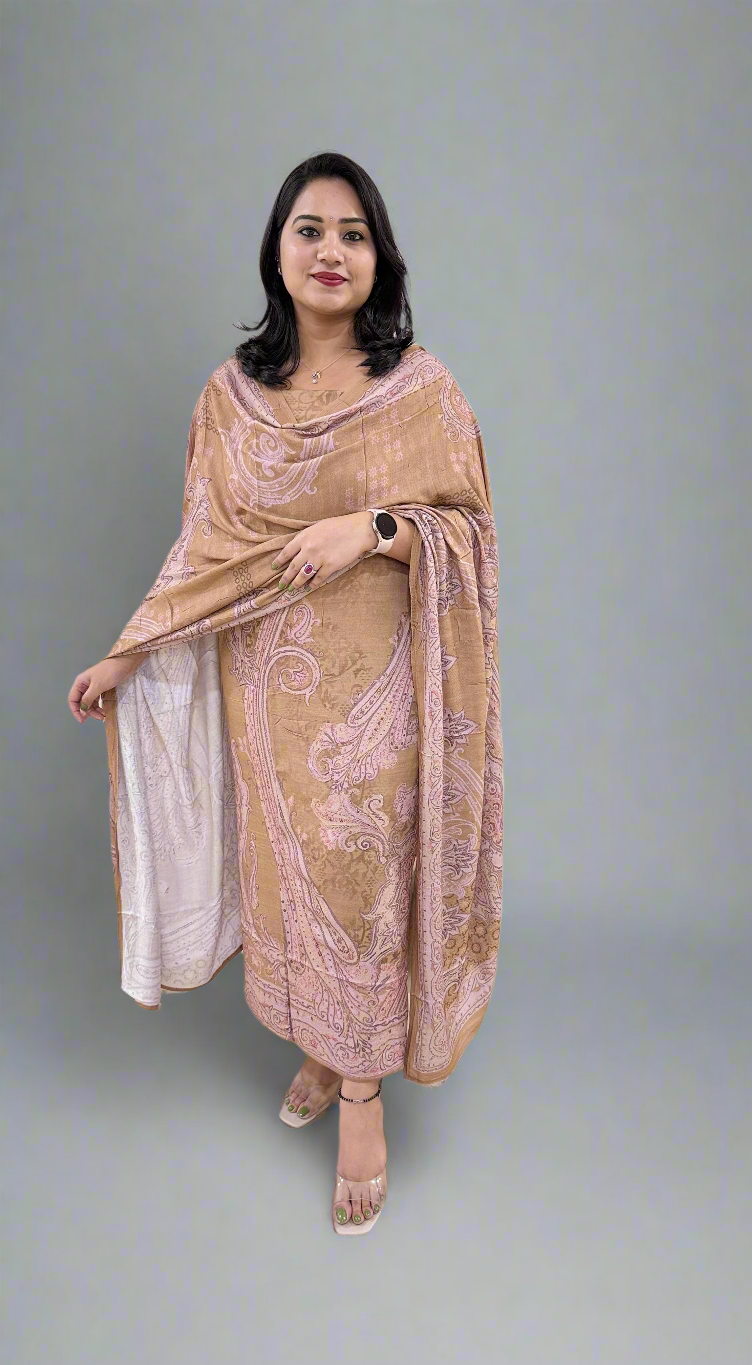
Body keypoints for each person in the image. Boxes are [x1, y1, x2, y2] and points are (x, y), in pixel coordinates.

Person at [67, 151, 504, 1236]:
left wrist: (375, 527)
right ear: (276, 250)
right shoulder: (232, 398)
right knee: (289, 883)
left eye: (354, 234)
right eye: (310, 229)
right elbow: (206, 546)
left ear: (381, 258)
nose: (330, 251)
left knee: (360, 886)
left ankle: (362, 1094)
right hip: (266, 697)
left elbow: (470, 536)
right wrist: (130, 650)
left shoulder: (422, 392)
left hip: (380, 702)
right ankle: (324, 1042)